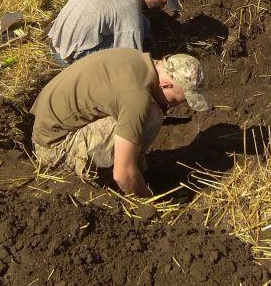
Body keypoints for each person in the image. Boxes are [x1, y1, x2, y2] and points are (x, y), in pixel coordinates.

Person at [31, 49, 210, 197]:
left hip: (48, 126)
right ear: (165, 85)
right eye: (178, 100)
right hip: (52, 149)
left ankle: (138, 170)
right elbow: (122, 174)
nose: (174, 105)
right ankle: (102, 178)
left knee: (139, 119)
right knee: (151, 115)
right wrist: (147, 202)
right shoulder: (137, 97)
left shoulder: (138, 60)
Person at [48, 0, 182, 66]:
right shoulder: (130, 13)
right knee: (140, 32)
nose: (163, 8)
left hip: (54, 39)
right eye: (164, 2)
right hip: (69, 57)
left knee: (145, 23)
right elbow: (129, 62)